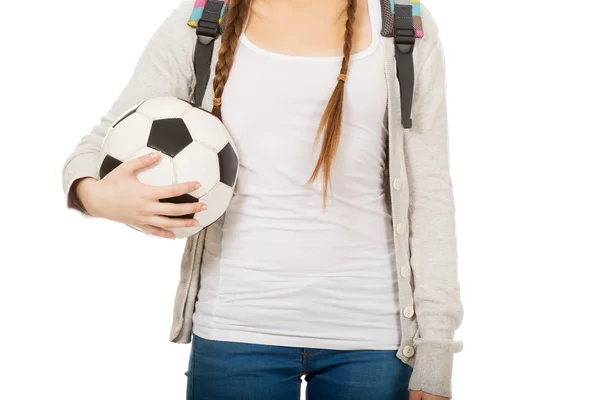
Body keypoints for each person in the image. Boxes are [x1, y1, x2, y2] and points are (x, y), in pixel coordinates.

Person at [61, 0, 464, 399]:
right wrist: (94, 197)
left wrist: (437, 349)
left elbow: (429, 195)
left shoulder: (401, 23)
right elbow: (96, 148)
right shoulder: (204, 20)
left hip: (376, 338)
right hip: (234, 328)